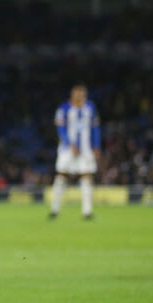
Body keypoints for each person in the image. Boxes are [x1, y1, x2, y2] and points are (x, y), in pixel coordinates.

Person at [50, 84, 101, 219]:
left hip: (85, 149)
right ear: (72, 95)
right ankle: (54, 209)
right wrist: (69, 144)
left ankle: (87, 212)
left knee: (86, 177)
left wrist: (96, 146)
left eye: (82, 94)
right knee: (61, 176)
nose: (80, 97)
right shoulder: (64, 108)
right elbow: (60, 129)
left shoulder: (90, 107)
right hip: (67, 149)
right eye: (77, 94)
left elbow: (95, 128)